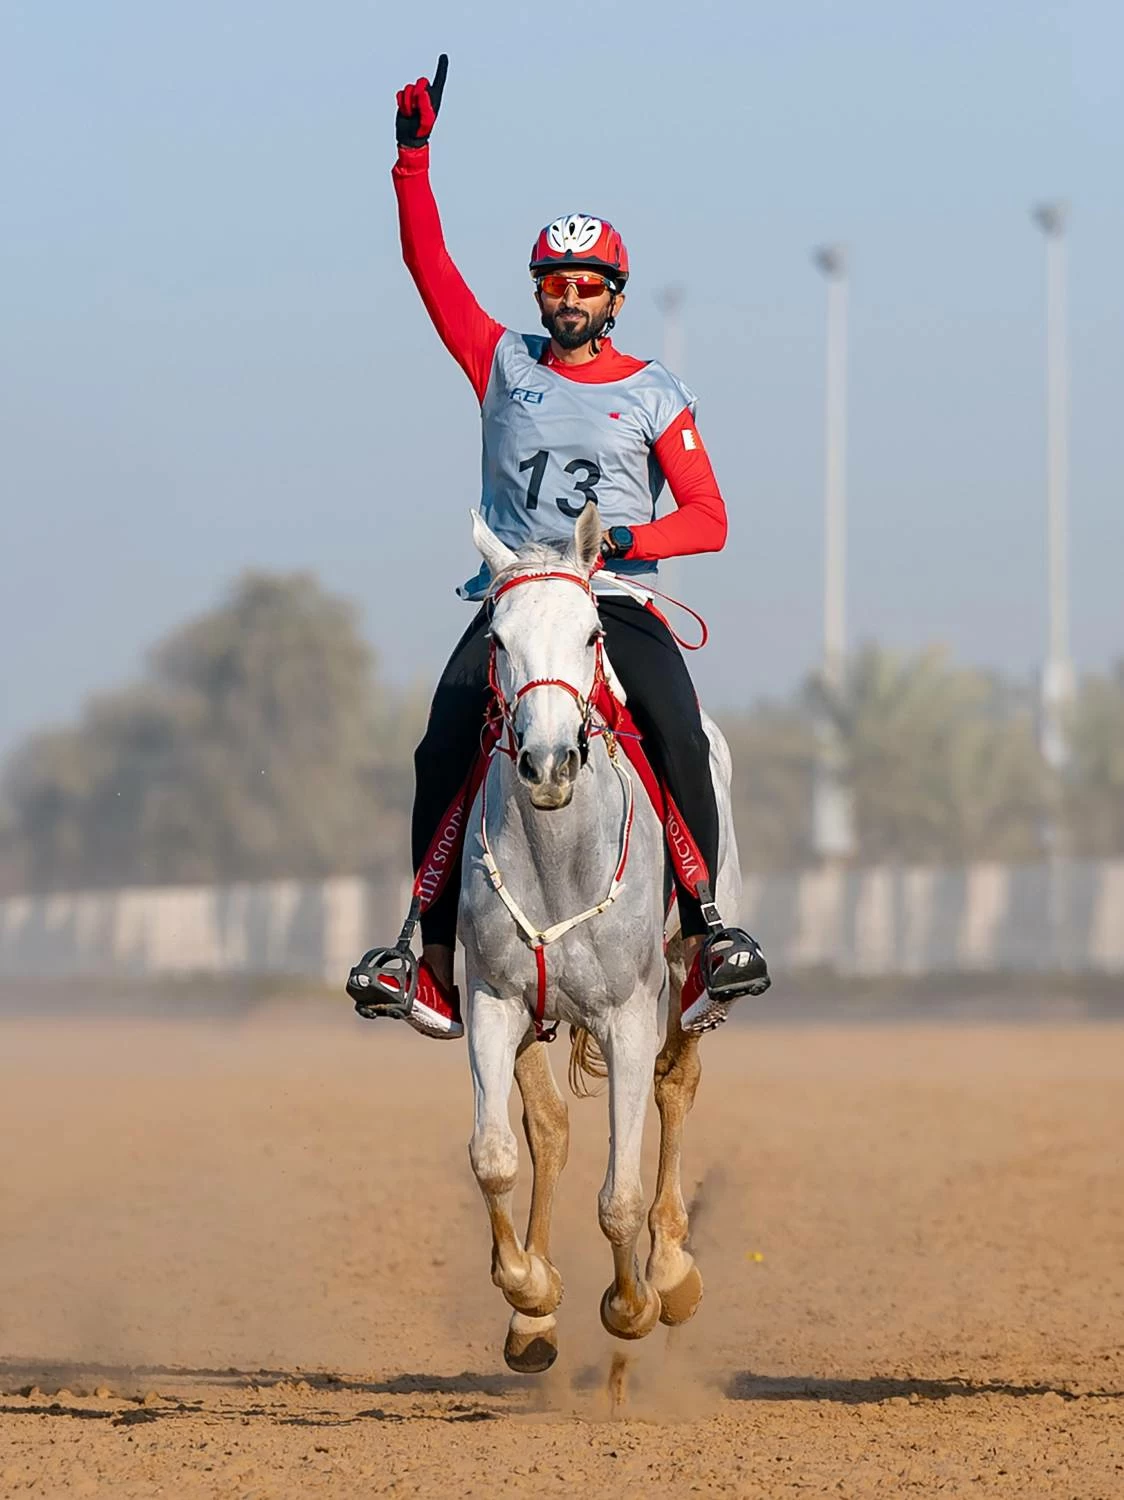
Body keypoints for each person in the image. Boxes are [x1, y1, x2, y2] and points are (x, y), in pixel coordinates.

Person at [358, 54, 769, 1040]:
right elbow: (428, 269)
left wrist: (628, 536)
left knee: (673, 734)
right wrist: (411, 160)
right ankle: (427, 956)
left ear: (613, 294)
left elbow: (709, 517)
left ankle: (707, 932)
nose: (567, 295)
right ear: (538, 294)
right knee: (439, 747)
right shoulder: (496, 358)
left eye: (586, 282)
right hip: (511, 599)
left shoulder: (655, 391)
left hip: (611, 602)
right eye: (553, 281)